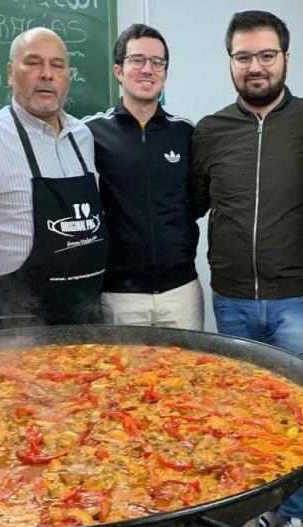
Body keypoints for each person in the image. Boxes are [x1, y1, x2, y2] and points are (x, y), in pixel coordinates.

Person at [189, 10, 303, 527]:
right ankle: (260, 510)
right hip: (230, 297)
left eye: (266, 55)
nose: (255, 67)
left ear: (285, 59)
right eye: (244, 56)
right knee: (242, 416)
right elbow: (188, 205)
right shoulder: (209, 131)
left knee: (300, 416)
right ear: (230, 61)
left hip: (297, 297)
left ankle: (299, 521)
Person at [0, 27, 106, 335]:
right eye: (33, 62)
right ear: (11, 73)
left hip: (86, 318)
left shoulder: (83, 136)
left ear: (68, 76)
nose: (46, 74)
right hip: (13, 324)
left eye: (57, 65)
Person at [83, 24, 202, 330]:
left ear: (165, 72)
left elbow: (198, 199)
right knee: (122, 378)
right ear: (119, 71)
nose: (147, 70)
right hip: (120, 294)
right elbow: (46, 140)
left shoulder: (187, 133)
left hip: (181, 292)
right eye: (137, 60)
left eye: (157, 62)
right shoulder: (90, 132)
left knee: (194, 377)